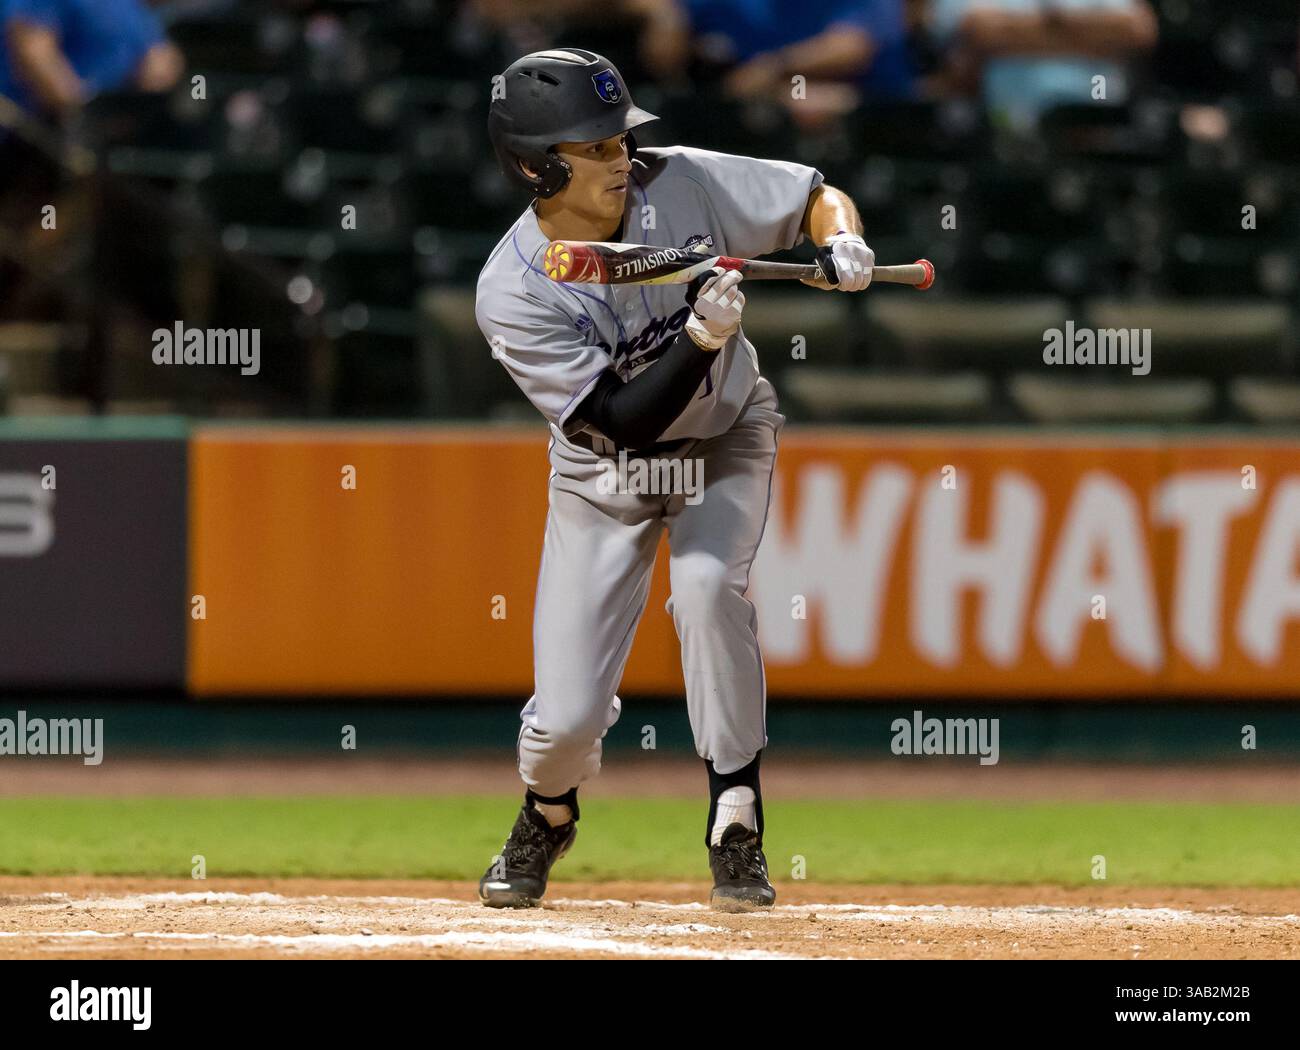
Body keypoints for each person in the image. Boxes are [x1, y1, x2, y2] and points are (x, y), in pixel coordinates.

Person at [474, 47, 874, 911]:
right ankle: (549, 809)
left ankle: (737, 810)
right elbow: (621, 422)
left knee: (704, 591)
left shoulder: (680, 182)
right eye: (597, 149)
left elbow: (811, 192)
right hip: (604, 474)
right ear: (536, 167)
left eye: (620, 141)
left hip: (724, 439)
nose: (622, 158)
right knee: (564, 722)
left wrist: (841, 239)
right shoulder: (512, 289)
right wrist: (698, 338)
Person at [923, 0, 1157, 131]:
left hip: (1095, 127)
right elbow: (981, 31)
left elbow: (1135, 30)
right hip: (1003, 129)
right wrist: (1088, 39)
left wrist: (1018, 37)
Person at [0, 0, 183, 120]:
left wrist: (160, 69)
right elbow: (32, 49)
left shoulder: (128, 5)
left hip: (115, 130)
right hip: (45, 138)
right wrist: (81, 113)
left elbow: (159, 51)